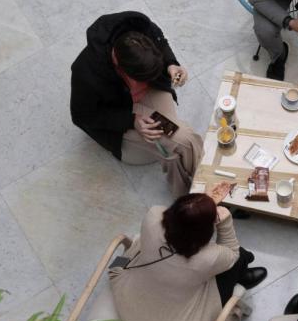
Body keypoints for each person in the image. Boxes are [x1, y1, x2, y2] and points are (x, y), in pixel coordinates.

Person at [109, 182, 267, 321]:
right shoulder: (208, 258)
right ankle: (241, 274)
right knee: (239, 257)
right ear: (205, 232)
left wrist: (200, 205)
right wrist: (226, 221)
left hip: (128, 306)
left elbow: (174, 216)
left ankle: (242, 270)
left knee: (129, 254)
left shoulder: (152, 216)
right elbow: (231, 252)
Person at [71, 11, 203, 198]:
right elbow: (81, 115)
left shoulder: (140, 28)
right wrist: (131, 121)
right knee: (181, 137)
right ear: (123, 71)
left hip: (148, 96)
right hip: (120, 113)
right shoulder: (86, 72)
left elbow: (161, 41)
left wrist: (171, 64)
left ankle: (189, 197)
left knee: (174, 142)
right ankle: (204, 190)